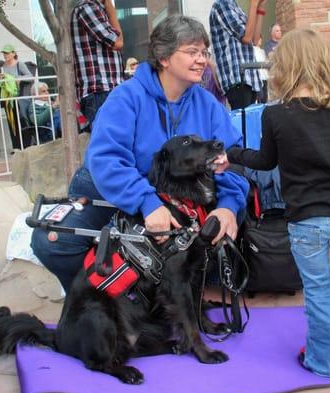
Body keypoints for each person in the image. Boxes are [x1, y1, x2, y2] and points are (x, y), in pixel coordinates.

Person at [214, 29, 330, 380]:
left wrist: (232, 155)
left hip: (305, 221)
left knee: (318, 292)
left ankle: (326, 361)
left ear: (285, 67)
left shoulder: (276, 115)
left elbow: (265, 161)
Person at [31, 15, 249, 293]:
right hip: (119, 196)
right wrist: (146, 202)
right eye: (192, 52)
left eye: (204, 52)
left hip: (182, 200)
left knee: (233, 214)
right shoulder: (126, 98)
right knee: (51, 241)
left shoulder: (207, 104)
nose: (202, 59)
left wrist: (228, 206)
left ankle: (173, 291)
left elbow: (232, 159)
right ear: (164, 57)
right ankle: (106, 300)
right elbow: (106, 160)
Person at [71, 0, 124, 128]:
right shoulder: (87, 8)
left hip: (102, 91)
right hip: (99, 90)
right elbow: (118, 42)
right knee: (108, 143)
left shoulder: (93, 8)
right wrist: (112, 11)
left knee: (114, 141)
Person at [209, 0, 265, 110]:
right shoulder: (221, 5)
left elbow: (255, 39)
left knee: (250, 123)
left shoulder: (235, 7)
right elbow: (246, 38)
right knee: (243, 124)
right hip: (236, 78)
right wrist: (253, 4)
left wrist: (260, 7)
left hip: (250, 77)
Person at [0, 44, 34, 150]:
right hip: (8, 99)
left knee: (22, 121)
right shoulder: (2, 66)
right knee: (12, 123)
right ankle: (16, 148)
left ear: (13, 53)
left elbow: (30, 77)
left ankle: (26, 146)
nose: (5, 55)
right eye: (4, 53)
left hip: (19, 98)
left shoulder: (19, 64)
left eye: (7, 53)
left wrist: (18, 78)